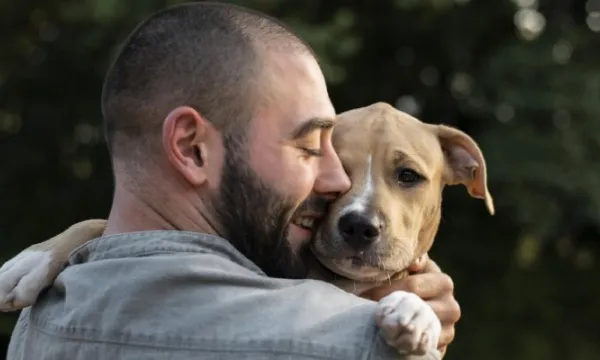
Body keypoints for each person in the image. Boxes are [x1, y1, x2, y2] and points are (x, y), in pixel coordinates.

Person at [7, 2, 460, 359]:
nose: (337, 181)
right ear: (191, 148)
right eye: (308, 148)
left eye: (406, 176)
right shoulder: (347, 343)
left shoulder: (41, 318)